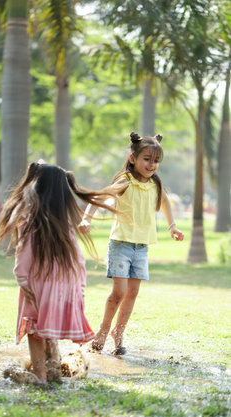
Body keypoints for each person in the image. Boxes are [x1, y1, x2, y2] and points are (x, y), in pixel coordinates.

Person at [0, 162, 127, 383]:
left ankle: (41, 375)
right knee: (48, 325)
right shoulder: (62, 221)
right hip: (66, 284)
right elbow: (77, 258)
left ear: (38, 187)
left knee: (34, 328)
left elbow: (23, 255)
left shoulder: (28, 217)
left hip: (37, 282)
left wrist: (22, 280)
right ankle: (55, 367)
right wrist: (80, 287)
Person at [79, 132, 184, 355]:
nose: (151, 164)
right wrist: (86, 218)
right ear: (133, 157)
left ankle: (119, 332)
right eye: (147, 159)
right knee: (119, 292)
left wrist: (172, 225)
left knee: (132, 293)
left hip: (141, 247)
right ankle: (103, 331)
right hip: (121, 245)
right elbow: (98, 198)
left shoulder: (154, 184)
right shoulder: (125, 181)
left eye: (156, 161)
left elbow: (164, 201)